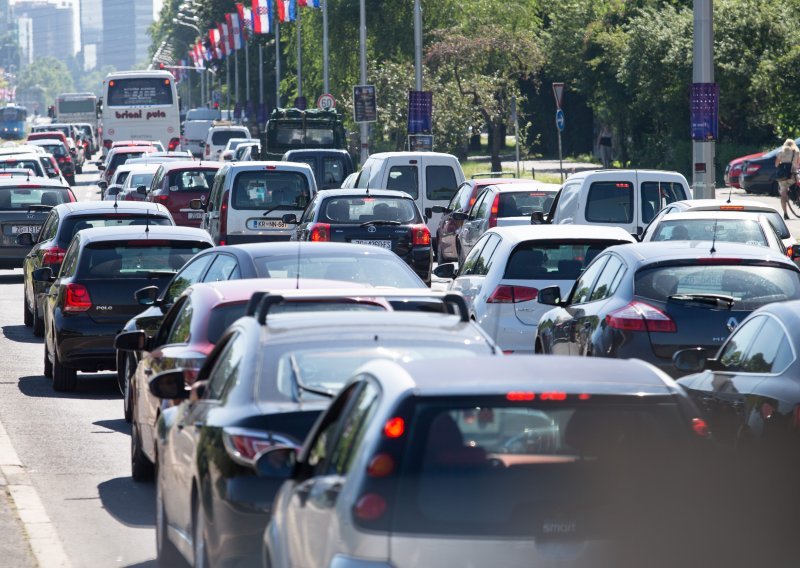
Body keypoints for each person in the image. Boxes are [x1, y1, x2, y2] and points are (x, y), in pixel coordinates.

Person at [774, 138, 800, 220]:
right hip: (793, 175)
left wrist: (783, 163)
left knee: (783, 194)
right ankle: (796, 197)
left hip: (783, 177)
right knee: (797, 188)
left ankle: (785, 213)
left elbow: (776, 165)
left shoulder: (781, 152)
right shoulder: (797, 152)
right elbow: (798, 164)